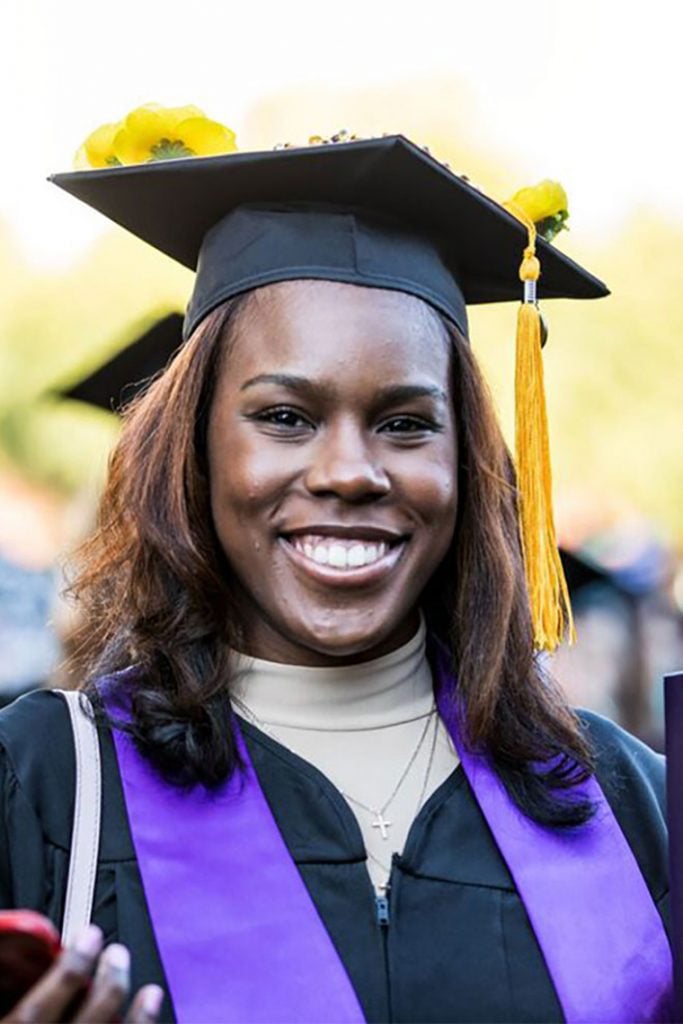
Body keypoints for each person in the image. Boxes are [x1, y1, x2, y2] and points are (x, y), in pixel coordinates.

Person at [0, 120, 673, 1023]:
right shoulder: (47, 784)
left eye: (405, 423)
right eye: (283, 417)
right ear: (193, 448)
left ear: (467, 459)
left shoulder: (622, 799)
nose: (350, 471)